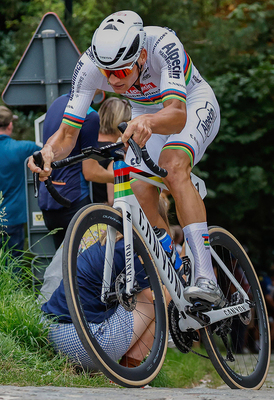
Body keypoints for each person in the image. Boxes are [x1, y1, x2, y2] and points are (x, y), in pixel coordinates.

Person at [28, 10, 223, 307]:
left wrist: (149, 123)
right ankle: (170, 260)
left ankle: (206, 276)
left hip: (190, 103)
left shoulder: (162, 44)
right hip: (145, 111)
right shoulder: (90, 65)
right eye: (107, 73)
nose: (112, 80)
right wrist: (48, 152)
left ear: (141, 56)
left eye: (120, 72)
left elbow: (177, 114)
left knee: (172, 166)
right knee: (138, 183)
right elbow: (67, 134)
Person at [41, 232, 155, 369]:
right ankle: (129, 371)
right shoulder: (130, 249)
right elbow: (154, 299)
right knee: (161, 298)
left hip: (49, 331)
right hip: (82, 345)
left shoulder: (106, 241)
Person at [38, 92, 114, 249]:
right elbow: (91, 171)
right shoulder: (89, 115)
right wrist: (123, 177)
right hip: (73, 201)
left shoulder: (57, 103)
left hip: (48, 200)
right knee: (89, 267)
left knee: (63, 268)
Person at [0, 105, 41, 260]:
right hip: (12, 218)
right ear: (10, 125)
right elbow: (47, 153)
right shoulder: (24, 148)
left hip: (12, 218)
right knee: (13, 265)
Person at [92, 97, 131, 205]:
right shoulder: (116, 154)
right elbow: (114, 200)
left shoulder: (89, 146)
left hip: (83, 211)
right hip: (104, 215)